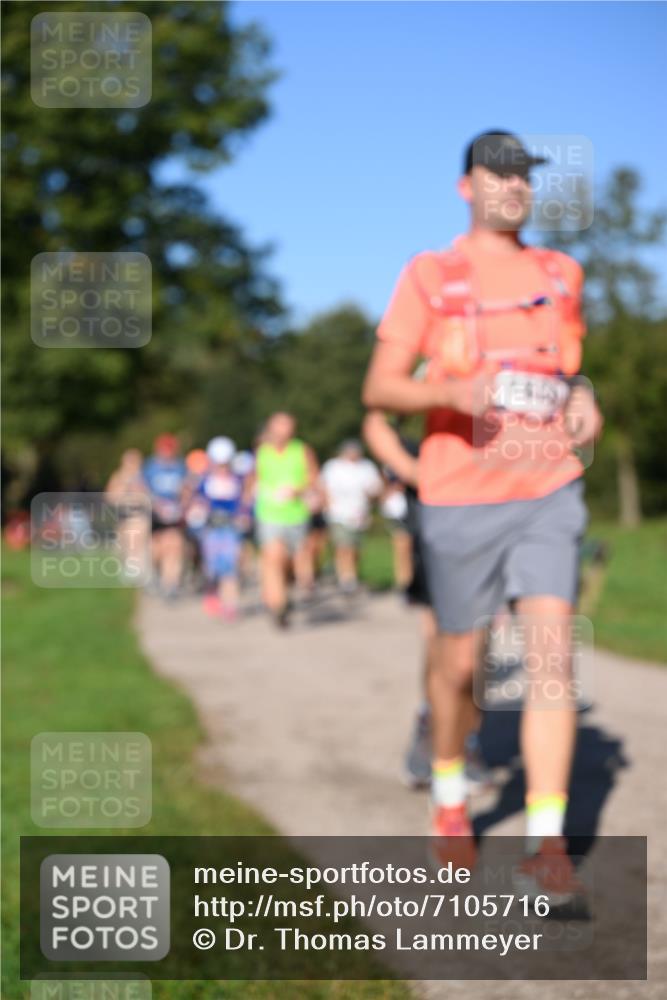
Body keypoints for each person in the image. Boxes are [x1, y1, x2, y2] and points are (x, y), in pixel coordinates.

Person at [362, 131, 602, 897]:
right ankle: (448, 797)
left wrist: (585, 397)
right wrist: (444, 393)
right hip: (458, 493)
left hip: (547, 489)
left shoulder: (560, 274)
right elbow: (380, 389)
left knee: (550, 662)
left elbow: (566, 369)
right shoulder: (431, 276)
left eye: (523, 177)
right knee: (459, 668)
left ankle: (544, 839)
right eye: (496, 175)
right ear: (466, 187)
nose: (512, 187)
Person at [363, 411, 492, 793]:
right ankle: (430, 724)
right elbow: (380, 414)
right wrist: (412, 469)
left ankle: (466, 737)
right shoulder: (441, 357)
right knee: (443, 638)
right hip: (440, 519)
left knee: (481, 646)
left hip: (500, 510)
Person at [250, 412, 319, 627]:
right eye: (279, 425)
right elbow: (255, 478)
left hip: (296, 514)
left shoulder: (302, 450)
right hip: (268, 513)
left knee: (288, 563)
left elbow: (313, 477)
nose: (283, 431)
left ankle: (284, 594)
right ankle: (278, 606)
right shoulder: (262, 451)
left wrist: (297, 490)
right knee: (273, 556)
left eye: (287, 426)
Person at [320, 439, 382, 593]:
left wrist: (372, 496)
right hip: (338, 513)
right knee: (343, 546)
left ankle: (351, 573)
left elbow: (375, 488)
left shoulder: (367, 467)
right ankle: (346, 578)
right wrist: (328, 505)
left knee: (355, 548)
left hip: (359, 514)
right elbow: (323, 486)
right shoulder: (333, 467)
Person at [197, 436, 245, 621]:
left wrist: (244, 516)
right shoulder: (205, 482)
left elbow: (244, 504)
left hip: (231, 531)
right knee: (212, 568)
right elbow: (196, 501)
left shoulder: (237, 481)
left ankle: (230, 604)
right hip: (211, 531)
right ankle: (212, 592)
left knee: (230, 568)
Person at [143, 433, 188, 599]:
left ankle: (171, 584)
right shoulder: (150, 467)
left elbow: (186, 488)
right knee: (158, 549)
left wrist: (183, 504)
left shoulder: (180, 467)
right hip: (155, 514)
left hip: (174, 514)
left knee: (174, 546)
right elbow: (142, 488)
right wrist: (155, 503)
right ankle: (156, 574)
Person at [105, 447, 151, 583]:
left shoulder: (144, 476)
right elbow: (110, 497)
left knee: (137, 537)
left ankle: (138, 571)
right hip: (122, 517)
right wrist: (124, 485)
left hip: (139, 516)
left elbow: (147, 498)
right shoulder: (118, 476)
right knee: (123, 544)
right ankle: (130, 570)